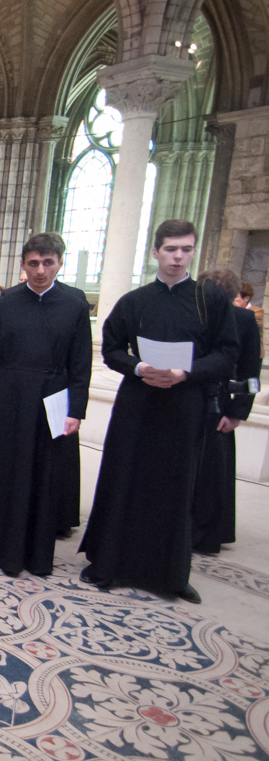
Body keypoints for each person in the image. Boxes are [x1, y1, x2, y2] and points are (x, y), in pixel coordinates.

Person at [80, 219, 240, 603]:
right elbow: (112, 348)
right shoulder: (136, 301)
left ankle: (171, 574)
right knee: (126, 479)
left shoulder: (210, 299)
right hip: (139, 402)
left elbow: (228, 353)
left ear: (193, 252)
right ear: (155, 252)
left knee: (177, 484)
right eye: (171, 249)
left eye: (186, 249)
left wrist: (187, 372)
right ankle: (110, 564)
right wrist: (138, 367)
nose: (178, 257)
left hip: (185, 405)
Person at [0, 234, 92, 577]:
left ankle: (34, 552)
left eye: (48, 263)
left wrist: (76, 410)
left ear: (60, 262)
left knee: (44, 475)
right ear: (23, 265)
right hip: (9, 395)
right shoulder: (4, 305)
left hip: (54, 396)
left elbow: (81, 363)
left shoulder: (75, 305)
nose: (41, 270)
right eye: (33, 263)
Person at [192, 269, 262, 553]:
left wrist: (237, 413)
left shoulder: (244, 320)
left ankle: (208, 532)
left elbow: (250, 372)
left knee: (212, 471)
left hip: (220, 403)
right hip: (187, 398)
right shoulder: (191, 313)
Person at [234, 282, 265, 358]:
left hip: (252, 354)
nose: (233, 300)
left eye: (236, 297)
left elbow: (244, 329)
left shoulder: (256, 312)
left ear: (246, 298)